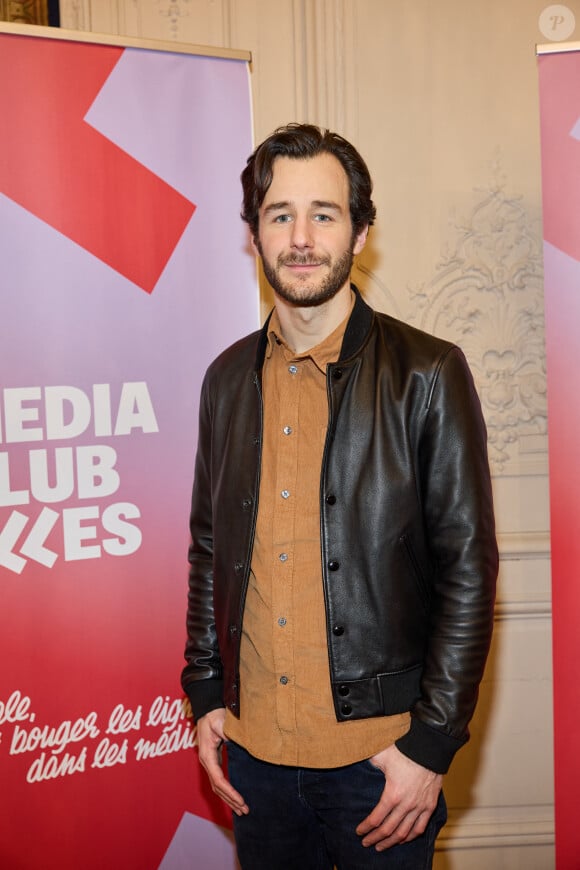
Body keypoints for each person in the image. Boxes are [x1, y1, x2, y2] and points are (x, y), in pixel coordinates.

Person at [181, 123, 498, 869]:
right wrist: (205, 694)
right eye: (278, 214)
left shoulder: (427, 373)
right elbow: (207, 550)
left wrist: (431, 745)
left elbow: (467, 571)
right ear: (252, 234)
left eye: (323, 214)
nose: (300, 237)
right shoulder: (225, 380)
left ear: (359, 233)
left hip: (381, 767)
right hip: (254, 761)